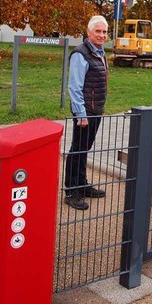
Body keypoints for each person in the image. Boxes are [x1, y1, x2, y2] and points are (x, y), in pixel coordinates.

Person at [64, 15, 109, 210]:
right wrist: (81, 113)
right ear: (89, 32)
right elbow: (75, 86)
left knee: (85, 148)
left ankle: (82, 184)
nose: (101, 35)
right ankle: (72, 191)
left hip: (95, 109)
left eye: (104, 32)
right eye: (98, 31)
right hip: (85, 112)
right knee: (78, 149)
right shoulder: (80, 54)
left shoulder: (99, 52)